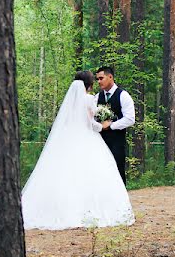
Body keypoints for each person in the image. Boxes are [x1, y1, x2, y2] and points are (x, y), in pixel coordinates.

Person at [21, 71, 135, 230]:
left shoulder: (70, 103)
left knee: (68, 173)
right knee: (92, 172)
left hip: (69, 140)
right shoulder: (89, 99)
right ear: (90, 84)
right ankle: (90, 208)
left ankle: (61, 208)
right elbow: (90, 123)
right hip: (88, 139)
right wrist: (102, 125)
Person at [95, 66, 135, 184]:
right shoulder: (97, 97)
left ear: (110, 77)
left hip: (117, 141)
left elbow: (130, 119)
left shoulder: (123, 95)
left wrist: (111, 125)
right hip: (100, 141)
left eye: (101, 78)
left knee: (117, 170)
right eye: (97, 79)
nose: (99, 81)